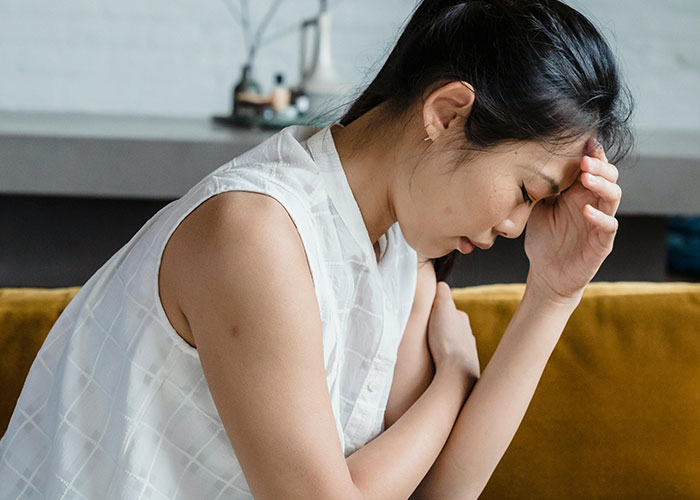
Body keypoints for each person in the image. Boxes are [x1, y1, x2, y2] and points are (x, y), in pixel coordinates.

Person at [0, 0, 633, 498]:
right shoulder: (254, 233)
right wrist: (453, 384)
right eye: (528, 190)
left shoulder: (399, 258)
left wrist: (554, 293)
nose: (518, 227)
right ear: (446, 112)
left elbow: (440, 494)